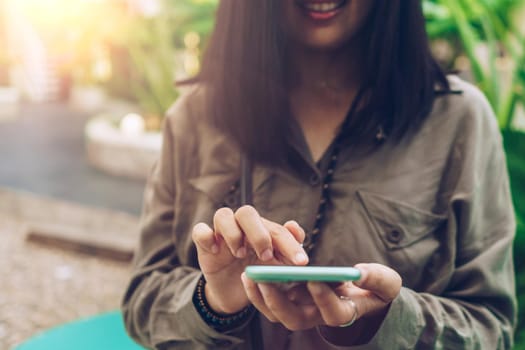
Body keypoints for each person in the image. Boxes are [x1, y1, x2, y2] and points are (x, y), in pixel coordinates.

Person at [121, 0, 517, 349]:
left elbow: (490, 328)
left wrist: (389, 321)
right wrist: (213, 300)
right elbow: (142, 302)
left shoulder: (459, 122)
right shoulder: (194, 117)